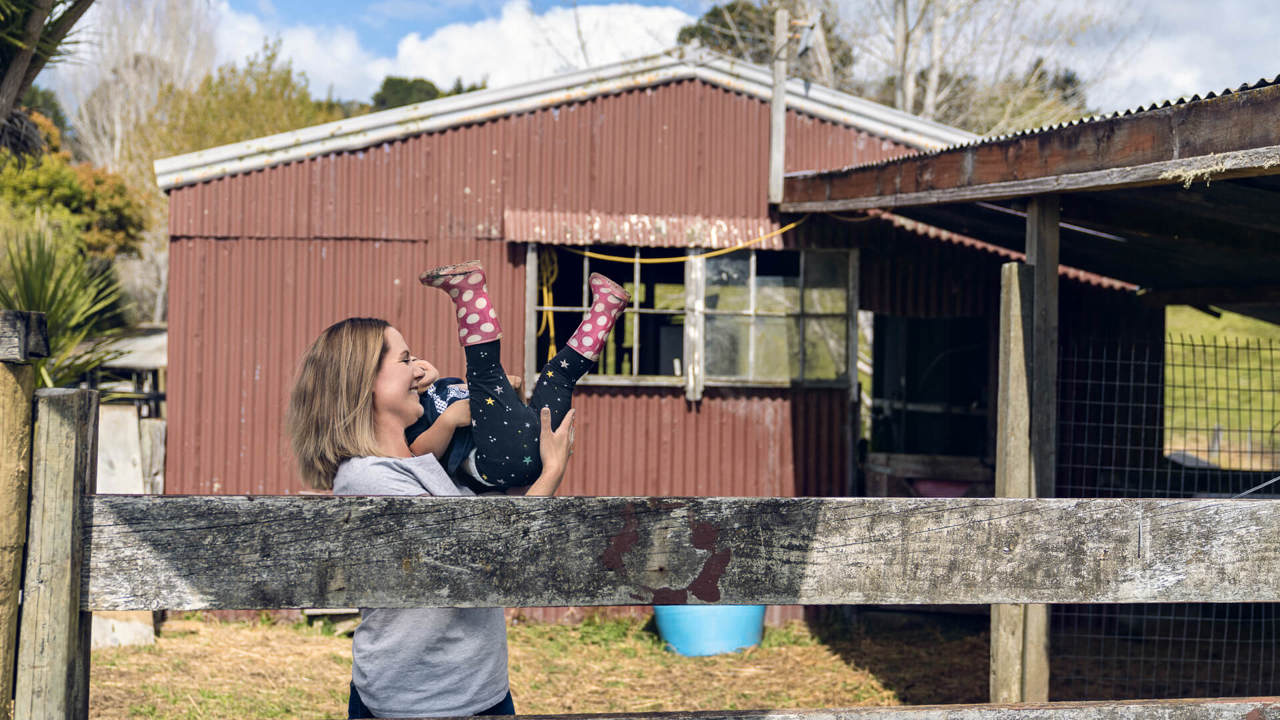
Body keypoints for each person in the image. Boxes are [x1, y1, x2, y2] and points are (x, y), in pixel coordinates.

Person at [407, 260, 630, 492]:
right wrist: (449, 419)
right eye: (406, 365)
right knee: (484, 372)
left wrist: (514, 396)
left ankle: (606, 308)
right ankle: (468, 291)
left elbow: (506, 419)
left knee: (559, 375)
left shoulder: (450, 385)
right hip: (497, 464)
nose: (417, 367)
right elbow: (419, 452)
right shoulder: (417, 408)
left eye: (414, 358)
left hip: (540, 444)